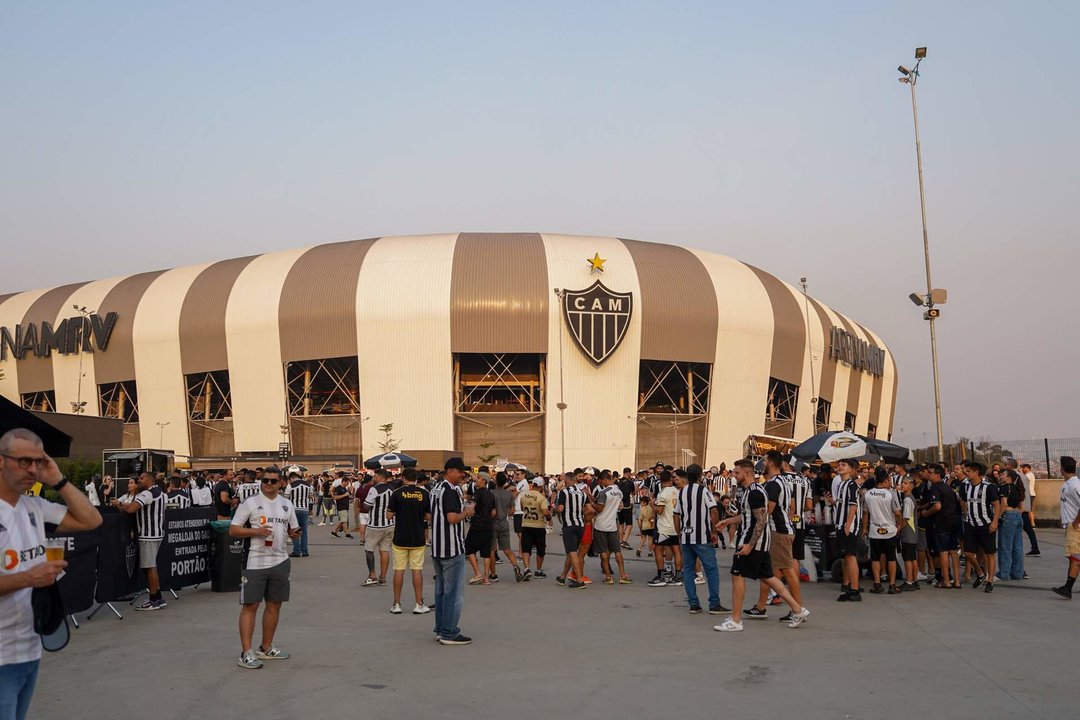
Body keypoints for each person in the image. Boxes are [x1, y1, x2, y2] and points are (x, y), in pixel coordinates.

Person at [0, 429, 102, 720]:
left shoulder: (34, 506)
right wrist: (28, 578)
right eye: (23, 461)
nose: (33, 469)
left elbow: (91, 520)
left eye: (38, 461)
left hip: (30, 649)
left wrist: (59, 479)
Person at [713, 459, 809, 632]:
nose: (734, 476)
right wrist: (728, 521)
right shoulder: (750, 491)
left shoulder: (755, 492)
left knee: (737, 575)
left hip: (752, 543)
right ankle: (798, 609)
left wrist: (750, 545)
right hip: (756, 542)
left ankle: (735, 620)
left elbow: (762, 520)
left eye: (737, 472)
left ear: (747, 473)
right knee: (769, 577)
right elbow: (748, 516)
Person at [230, 466, 301, 669]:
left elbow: (293, 530)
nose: (268, 484)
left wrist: (295, 534)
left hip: (280, 560)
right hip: (255, 561)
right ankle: (246, 652)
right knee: (251, 605)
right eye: (265, 480)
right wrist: (256, 531)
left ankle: (266, 647)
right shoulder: (250, 502)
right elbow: (233, 530)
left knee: (274, 604)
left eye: (272, 481)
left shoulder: (287, 504)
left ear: (281, 483)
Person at [746, 451, 800, 618]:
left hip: (778, 531)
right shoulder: (783, 481)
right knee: (769, 573)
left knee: (787, 571)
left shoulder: (771, 485)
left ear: (771, 463)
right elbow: (792, 507)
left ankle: (797, 609)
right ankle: (761, 606)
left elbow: (767, 511)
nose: (763, 464)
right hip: (783, 529)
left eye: (765, 460)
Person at [430, 458, 474, 644]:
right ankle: (449, 632)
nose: (462, 474)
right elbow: (452, 518)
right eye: (459, 471)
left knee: (441, 591)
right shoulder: (449, 490)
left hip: (438, 547)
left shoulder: (436, 489)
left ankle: (441, 628)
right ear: (450, 471)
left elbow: (430, 514)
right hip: (451, 547)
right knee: (454, 593)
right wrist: (467, 512)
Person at [674, 464, 725, 614]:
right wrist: (714, 530)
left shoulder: (681, 492)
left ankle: (694, 604)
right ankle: (714, 603)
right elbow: (714, 510)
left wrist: (679, 534)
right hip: (702, 536)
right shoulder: (703, 491)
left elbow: (676, 515)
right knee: (711, 570)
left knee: (689, 571)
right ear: (699, 476)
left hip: (686, 536)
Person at [115, 472, 168, 611]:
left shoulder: (147, 493)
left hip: (148, 535)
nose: (139, 480)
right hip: (157, 533)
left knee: (149, 567)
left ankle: (153, 600)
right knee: (152, 566)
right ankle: (158, 597)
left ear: (149, 480)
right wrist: (124, 504)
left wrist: (121, 505)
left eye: (142, 478)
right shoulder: (161, 492)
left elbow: (132, 508)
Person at [386, 468, 431, 615]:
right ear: (416, 479)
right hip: (418, 537)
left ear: (404, 478)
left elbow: (388, 515)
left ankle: (396, 604)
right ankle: (419, 604)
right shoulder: (424, 494)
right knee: (417, 570)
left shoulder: (397, 493)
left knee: (398, 570)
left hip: (400, 537)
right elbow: (428, 517)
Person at [960, 461, 1002, 593]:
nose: (966, 474)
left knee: (989, 553)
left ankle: (990, 581)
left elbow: (996, 504)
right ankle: (979, 572)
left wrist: (995, 521)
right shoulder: (965, 486)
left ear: (976, 472)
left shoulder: (987, 487)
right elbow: (963, 500)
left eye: (968, 471)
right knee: (967, 553)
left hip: (985, 524)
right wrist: (965, 513)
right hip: (970, 524)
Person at [588, 470, 632, 585]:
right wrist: (590, 496)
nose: (601, 483)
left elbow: (600, 508)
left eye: (601, 481)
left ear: (605, 479)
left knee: (603, 552)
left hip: (601, 525)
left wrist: (591, 503)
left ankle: (608, 577)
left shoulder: (604, 492)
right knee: (617, 551)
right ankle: (622, 575)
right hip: (612, 525)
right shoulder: (618, 492)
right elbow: (619, 505)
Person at [922, 464, 961, 589]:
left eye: (931, 472)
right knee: (954, 552)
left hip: (942, 523)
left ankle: (946, 580)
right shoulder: (948, 487)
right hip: (953, 521)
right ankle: (957, 581)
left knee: (943, 552)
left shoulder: (935, 487)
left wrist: (926, 513)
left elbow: (937, 506)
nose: (929, 474)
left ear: (937, 475)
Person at [863, 472, 902, 594]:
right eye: (889, 481)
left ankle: (877, 583)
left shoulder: (868, 494)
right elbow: (897, 513)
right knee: (891, 558)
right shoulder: (891, 494)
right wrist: (899, 524)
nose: (890, 483)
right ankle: (892, 585)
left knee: (875, 558)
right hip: (889, 530)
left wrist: (864, 528)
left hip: (875, 530)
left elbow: (865, 513)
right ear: (885, 481)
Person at [833, 459, 863, 601]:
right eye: (839, 464)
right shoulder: (841, 484)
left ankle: (855, 590)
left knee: (851, 557)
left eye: (843, 465)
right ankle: (850, 587)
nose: (840, 467)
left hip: (847, 526)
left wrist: (847, 524)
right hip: (841, 525)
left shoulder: (851, 485)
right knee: (847, 557)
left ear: (851, 470)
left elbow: (853, 506)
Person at [1052, 456, 1080, 600]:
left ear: (1062, 469)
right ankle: (1067, 587)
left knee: (1075, 557)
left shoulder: (1074, 485)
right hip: (1070, 525)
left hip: (1075, 527)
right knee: (1073, 557)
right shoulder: (1068, 484)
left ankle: (1068, 589)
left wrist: (1075, 522)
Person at [648, 471, 683, 587]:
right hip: (676, 525)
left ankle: (661, 576)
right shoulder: (677, 491)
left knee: (658, 549)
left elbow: (660, 511)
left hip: (664, 526)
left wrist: (652, 504)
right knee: (676, 550)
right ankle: (678, 575)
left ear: (661, 480)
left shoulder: (663, 493)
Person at [362, 469, 396, 586]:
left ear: (380, 477)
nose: (374, 478)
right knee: (384, 550)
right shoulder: (392, 489)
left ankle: (372, 575)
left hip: (375, 525)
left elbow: (367, 506)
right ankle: (383, 577)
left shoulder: (374, 489)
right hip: (390, 524)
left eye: (375, 476)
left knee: (369, 549)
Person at [554, 472, 587, 589]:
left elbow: (561, 508)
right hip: (580, 525)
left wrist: (554, 508)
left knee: (572, 553)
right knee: (570, 552)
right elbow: (586, 509)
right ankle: (562, 577)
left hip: (569, 526)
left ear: (567, 480)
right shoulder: (582, 493)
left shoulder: (563, 493)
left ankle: (579, 580)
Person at [465, 472, 497, 585]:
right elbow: (494, 512)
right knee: (486, 552)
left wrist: (467, 512)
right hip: (488, 525)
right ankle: (486, 578)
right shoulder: (491, 494)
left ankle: (477, 573)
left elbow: (471, 507)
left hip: (477, 524)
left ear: (484, 480)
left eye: (478, 478)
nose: (476, 480)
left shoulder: (477, 493)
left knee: (469, 548)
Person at [490, 474, 523, 581]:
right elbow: (513, 510)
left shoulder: (491, 494)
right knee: (507, 549)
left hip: (493, 524)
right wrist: (506, 514)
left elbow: (492, 512)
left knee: (492, 549)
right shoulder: (509, 494)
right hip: (504, 523)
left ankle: (493, 574)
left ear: (495, 481)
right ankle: (515, 566)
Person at [996, 470, 1027, 582]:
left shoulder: (1004, 488)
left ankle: (1004, 573)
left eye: (1003, 474)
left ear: (1009, 477)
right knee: (1017, 547)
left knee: (1005, 546)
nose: (1001, 476)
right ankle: (1017, 573)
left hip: (1008, 516)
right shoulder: (1017, 489)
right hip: (1018, 516)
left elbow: (1003, 504)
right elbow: (1022, 508)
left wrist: (998, 517)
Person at [518, 476, 550, 579]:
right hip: (538, 526)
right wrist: (549, 516)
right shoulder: (542, 498)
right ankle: (538, 570)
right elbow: (545, 512)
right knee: (540, 549)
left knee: (526, 548)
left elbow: (523, 508)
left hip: (526, 524)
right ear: (541, 486)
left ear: (533, 485)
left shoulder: (524, 496)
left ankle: (527, 568)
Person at [897, 476, 920, 591]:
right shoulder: (910, 498)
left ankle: (909, 581)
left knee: (907, 558)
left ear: (911, 486)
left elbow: (905, 518)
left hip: (908, 533)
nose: (902, 485)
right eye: (902, 483)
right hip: (913, 533)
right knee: (912, 558)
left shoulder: (907, 500)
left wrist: (899, 528)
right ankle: (915, 580)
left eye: (905, 483)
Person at [283, 468, 311, 558]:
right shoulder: (307, 485)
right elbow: (310, 496)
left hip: (294, 509)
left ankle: (296, 551)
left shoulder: (290, 485)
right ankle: (305, 551)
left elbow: (286, 498)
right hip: (305, 509)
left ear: (292, 478)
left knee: (295, 530)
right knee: (304, 531)